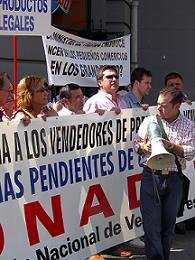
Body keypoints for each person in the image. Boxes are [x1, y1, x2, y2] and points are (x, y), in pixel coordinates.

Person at [133, 86, 195, 260]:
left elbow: (190, 153)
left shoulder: (189, 126)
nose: (158, 108)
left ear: (177, 106)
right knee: (151, 227)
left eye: (164, 105)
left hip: (174, 178)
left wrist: (170, 146)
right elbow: (136, 143)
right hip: (151, 176)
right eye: (158, 104)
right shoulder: (150, 121)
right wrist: (144, 147)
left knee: (168, 228)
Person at [84, 65, 130, 259]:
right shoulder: (94, 103)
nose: (114, 79)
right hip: (100, 162)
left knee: (116, 204)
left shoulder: (123, 101)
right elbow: (83, 131)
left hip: (119, 162)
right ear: (99, 82)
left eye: (116, 76)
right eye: (109, 77)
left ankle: (114, 245)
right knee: (98, 208)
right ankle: (95, 249)